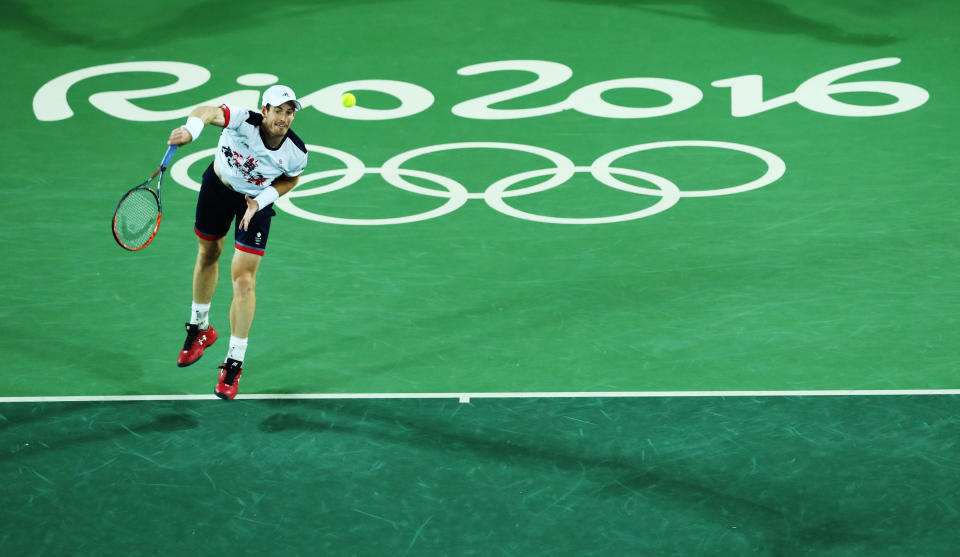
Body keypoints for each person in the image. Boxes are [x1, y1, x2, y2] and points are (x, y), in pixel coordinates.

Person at [168, 84, 308, 400]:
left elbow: (290, 178)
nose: (283, 118)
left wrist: (262, 201)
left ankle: (234, 363)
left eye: (289, 112)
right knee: (208, 253)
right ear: (265, 110)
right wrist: (192, 130)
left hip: (255, 202)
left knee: (244, 281)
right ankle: (200, 328)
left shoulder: (296, 152)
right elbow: (206, 111)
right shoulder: (242, 120)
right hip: (217, 188)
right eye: (277, 110)